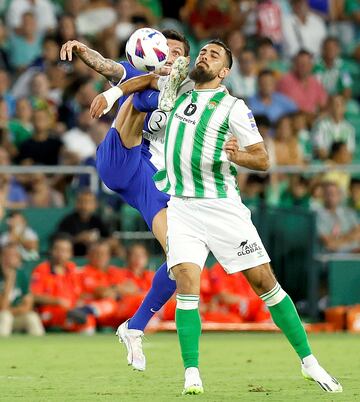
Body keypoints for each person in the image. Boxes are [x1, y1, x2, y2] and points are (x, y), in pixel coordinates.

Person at [152, 41, 342, 394]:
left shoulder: (233, 107)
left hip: (223, 208)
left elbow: (263, 159)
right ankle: (191, 374)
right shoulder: (176, 94)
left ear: (224, 72)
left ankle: (309, 362)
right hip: (181, 207)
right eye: (203, 52)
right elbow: (135, 76)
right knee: (186, 285)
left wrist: (238, 156)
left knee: (264, 283)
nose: (205, 56)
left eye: (214, 55)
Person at [60, 30, 192, 370]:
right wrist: (81, 48)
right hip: (120, 156)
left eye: (175, 52)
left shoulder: (190, 97)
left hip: (147, 175)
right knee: (141, 93)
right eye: (164, 50)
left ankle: (134, 328)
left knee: (180, 258)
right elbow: (105, 64)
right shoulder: (137, 74)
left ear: (184, 60)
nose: (168, 56)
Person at [30, 234, 96, 333]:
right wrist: (57, 301)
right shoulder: (42, 269)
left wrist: (81, 300)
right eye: (58, 249)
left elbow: (83, 293)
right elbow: (34, 296)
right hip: (50, 313)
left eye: (65, 251)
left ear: (70, 253)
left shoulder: (73, 269)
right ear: (51, 251)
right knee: (80, 320)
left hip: (73, 311)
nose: (61, 254)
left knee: (88, 317)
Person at [0, 243, 44, 336]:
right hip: (3, 318)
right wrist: (9, 280)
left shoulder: (23, 275)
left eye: (15, 256)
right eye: (6, 256)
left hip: (15, 316)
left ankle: (40, 349)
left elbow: (28, 306)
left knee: (32, 317)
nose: (10, 259)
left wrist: (11, 311)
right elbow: (2, 307)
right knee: (5, 317)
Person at [56, 189, 116, 256]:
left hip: (95, 256)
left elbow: (112, 240)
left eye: (89, 202)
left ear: (95, 205)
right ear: (77, 203)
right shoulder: (68, 221)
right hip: (74, 256)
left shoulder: (98, 221)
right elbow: (59, 241)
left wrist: (99, 242)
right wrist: (79, 238)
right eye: (82, 202)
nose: (85, 206)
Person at [314, 181, 360, 253]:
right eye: (329, 193)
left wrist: (338, 239)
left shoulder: (349, 212)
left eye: (335, 193)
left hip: (355, 253)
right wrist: (350, 237)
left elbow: (358, 233)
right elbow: (328, 243)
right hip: (331, 257)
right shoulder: (317, 216)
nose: (332, 195)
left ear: (340, 195)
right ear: (323, 196)